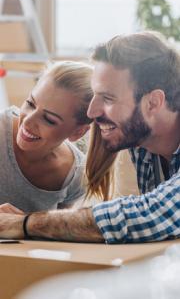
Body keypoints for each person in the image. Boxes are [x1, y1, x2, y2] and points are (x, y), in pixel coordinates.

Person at [0, 31, 179, 244]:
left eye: (108, 98)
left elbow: (153, 215)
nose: (92, 113)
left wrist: (23, 224)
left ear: (153, 103)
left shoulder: (75, 171)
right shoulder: (144, 146)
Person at [0, 60, 93, 213]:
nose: (28, 121)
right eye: (30, 103)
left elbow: (57, 233)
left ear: (78, 132)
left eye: (49, 119)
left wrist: (23, 224)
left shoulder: (76, 176)